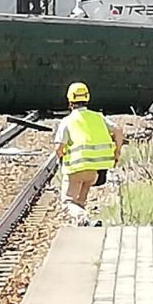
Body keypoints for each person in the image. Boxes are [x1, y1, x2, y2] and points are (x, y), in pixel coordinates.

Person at [54, 82, 124, 225]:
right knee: (80, 202)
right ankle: (84, 226)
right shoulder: (98, 117)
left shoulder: (67, 121)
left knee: (68, 202)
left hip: (75, 169)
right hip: (94, 171)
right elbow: (118, 130)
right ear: (87, 98)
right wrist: (117, 152)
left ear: (69, 100)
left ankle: (85, 220)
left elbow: (59, 148)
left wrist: (61, 158)